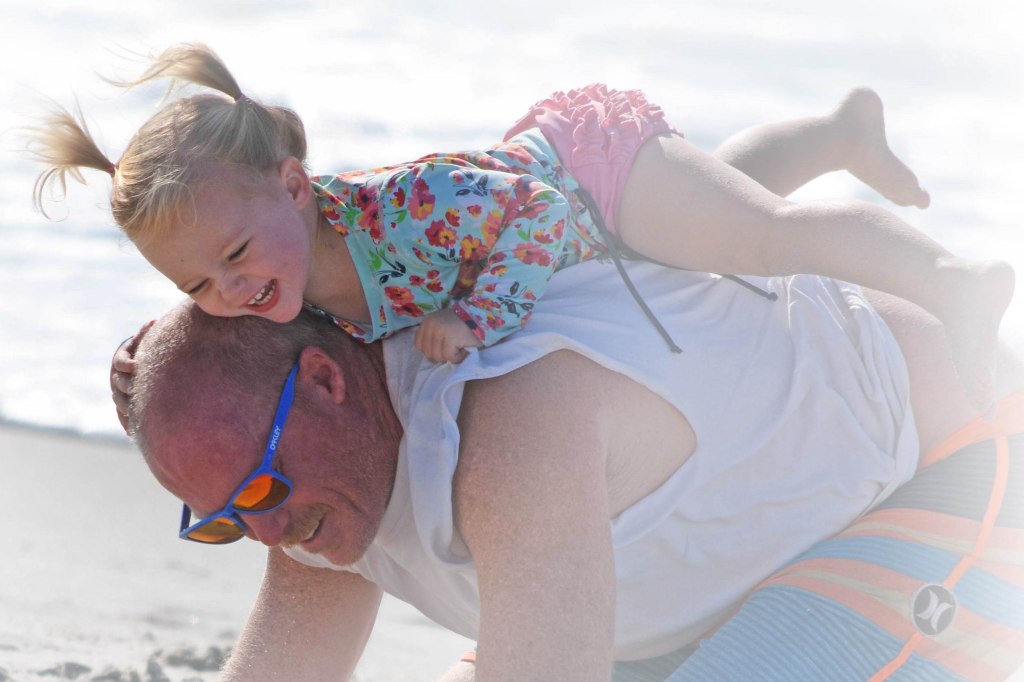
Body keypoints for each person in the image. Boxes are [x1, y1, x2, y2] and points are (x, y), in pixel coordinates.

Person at [121, 251, 1024, 681]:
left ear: (325, 380)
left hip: (954, 473)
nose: (268, 531)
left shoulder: (508, 427)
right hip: (733, 572)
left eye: (259, 492)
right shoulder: (309, 477)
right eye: (225, 520)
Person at [29, 43, 1012, 415]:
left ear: (294, 186)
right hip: (577, 234)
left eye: (235, 257)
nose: (230, 292)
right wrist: (147, 365)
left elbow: (536, 213)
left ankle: (954, 284)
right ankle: (841, 131)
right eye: (194, 286)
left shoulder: (402, 210)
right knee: (719, 206)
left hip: (591, 173)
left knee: (759, 236)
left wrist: (476, 319)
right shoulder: (279, 283)